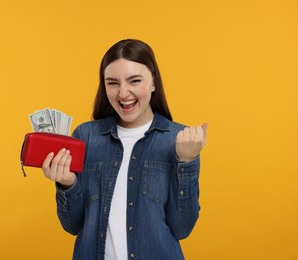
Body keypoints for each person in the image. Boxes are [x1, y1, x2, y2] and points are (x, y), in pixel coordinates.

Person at [42, 39, 208, 260]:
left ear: (153, 82)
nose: (123, 93)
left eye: (135, 80)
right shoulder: (86, 137)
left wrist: (186, 162)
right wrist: (67, 184)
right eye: (112, 83)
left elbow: (182, 229)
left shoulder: (178, 140)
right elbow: (72, 225)